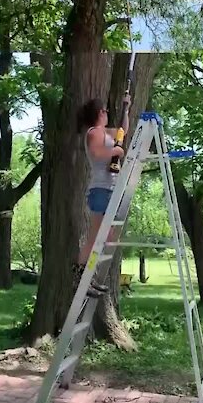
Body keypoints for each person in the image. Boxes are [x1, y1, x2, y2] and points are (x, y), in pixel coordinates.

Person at [71, 93, 130, 297]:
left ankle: (89, 277)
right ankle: (80, 278)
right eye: (105, 110)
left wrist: (126, 109)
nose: (107, 113)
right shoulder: (94, 132)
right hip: (101, 189)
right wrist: (116, 152)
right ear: (99, 113)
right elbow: (97, 154)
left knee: (107, 237)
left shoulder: (104, 133)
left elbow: (123, 131)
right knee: (96, 237)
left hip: (108, 189)